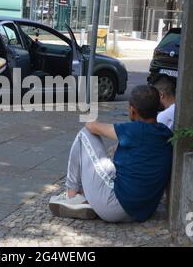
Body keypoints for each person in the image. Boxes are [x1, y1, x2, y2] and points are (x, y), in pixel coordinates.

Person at [49, 85, 173, 223]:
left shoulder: (133, 131)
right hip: (143, 210)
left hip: (115, 206)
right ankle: (85, 196)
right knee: (109, 164)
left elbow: (91, 127)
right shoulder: (166, 133)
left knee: (84, 135)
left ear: (132, 110)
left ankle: (71, 196)